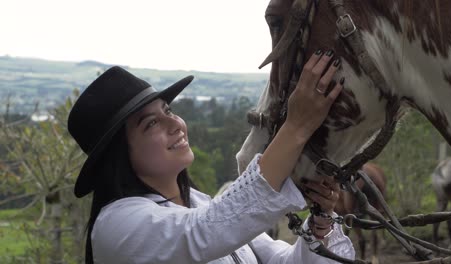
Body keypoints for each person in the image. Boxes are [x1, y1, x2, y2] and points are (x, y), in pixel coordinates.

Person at [67, 49, 355, 263]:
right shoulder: (116, 226)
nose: (175, 124)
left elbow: (280, 261)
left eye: (167, 111)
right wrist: (297, 126)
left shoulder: (200, 203)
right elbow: (203, 233)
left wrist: (320, 224)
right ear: (119, 154)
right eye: (151, 123)